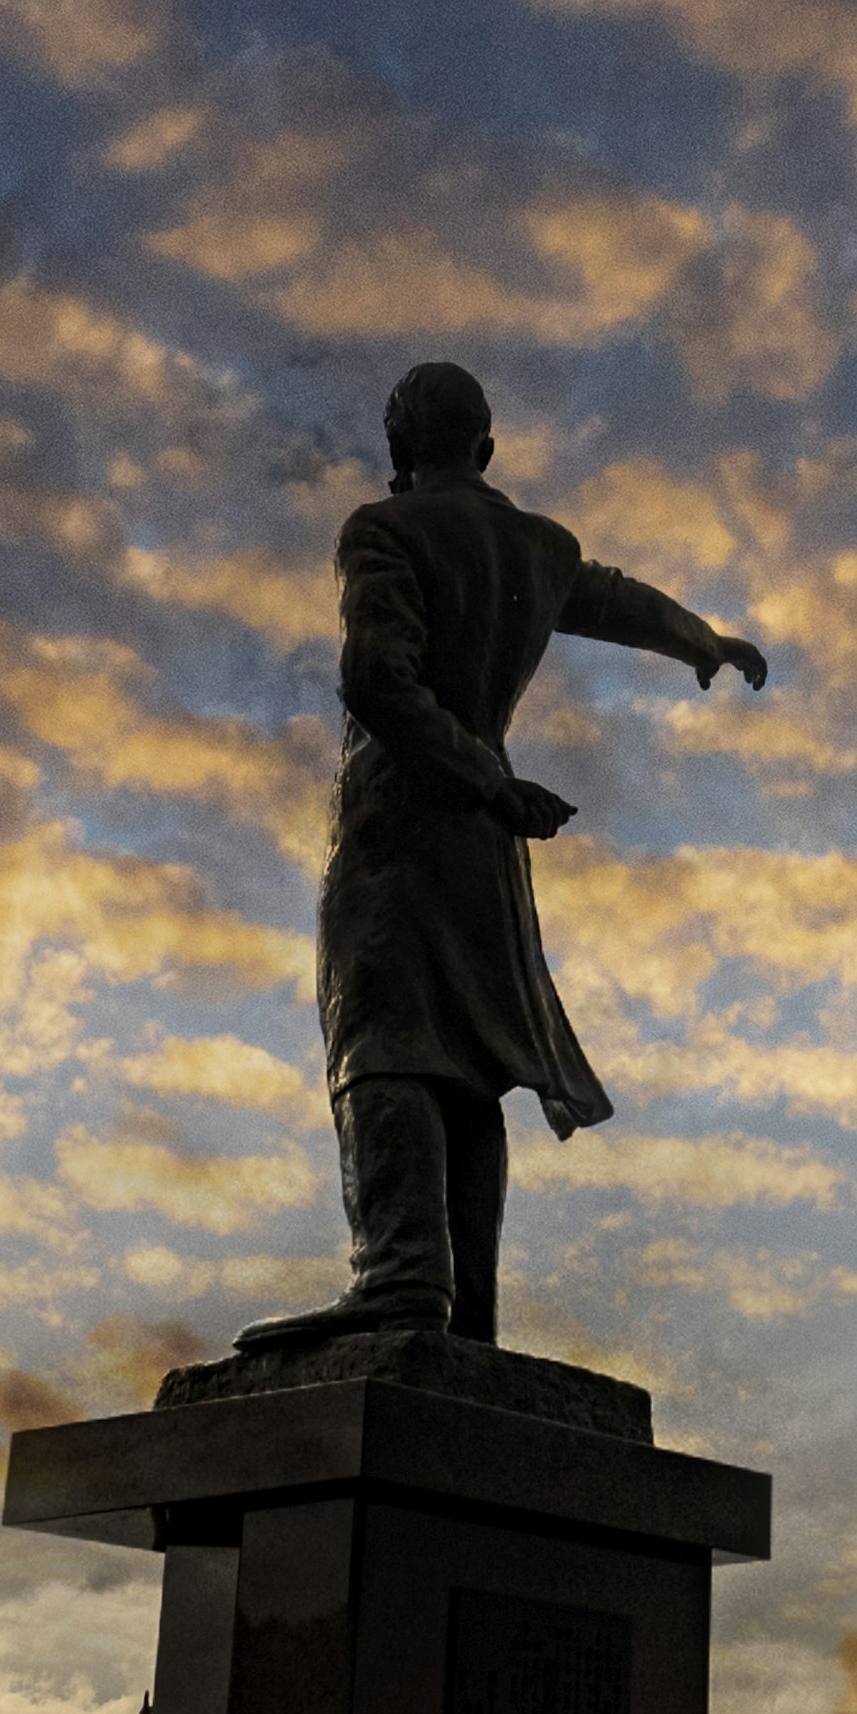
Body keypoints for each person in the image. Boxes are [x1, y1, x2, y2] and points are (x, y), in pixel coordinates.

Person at [240, 362, 767, 1356]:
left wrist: (478, 777)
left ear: (399, 449)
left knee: (384, 1041)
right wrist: (702, 639)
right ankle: (460, 1312)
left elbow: (376, 680)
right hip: (490, 839)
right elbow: (609, 600)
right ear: (486, 447)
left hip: (407, 820)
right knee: (471, 1062)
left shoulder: (383, 530)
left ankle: (399, 1278)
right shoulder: (537, 545)